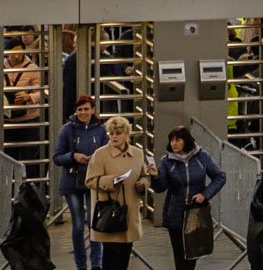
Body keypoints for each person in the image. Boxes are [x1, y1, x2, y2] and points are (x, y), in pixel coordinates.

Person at [150, 125, 226, 270]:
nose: (174, 143)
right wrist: (156, 176)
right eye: (171, 140)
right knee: (180, 256)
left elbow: (220, 177)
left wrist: (205, 194)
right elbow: (160, 188)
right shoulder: (167, 161)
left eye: (178, 140)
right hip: (175, 214)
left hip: (196, 213)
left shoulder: (202, 157)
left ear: (186, 141)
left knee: (192, 254)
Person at [85, 115, 150, 270]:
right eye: (111, 133)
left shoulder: (138, 153)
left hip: (129, 213)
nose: (114, 136)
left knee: (124, 257)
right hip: (109, 214)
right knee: (111, 259)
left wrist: (143, 184)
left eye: (118, 133)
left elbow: (145, 175)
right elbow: (90, 181)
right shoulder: (100, 154)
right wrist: (111, 181)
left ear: (127, 134)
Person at [53, 95, 108, 270]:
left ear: (93, 110)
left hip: (93, 183)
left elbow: (108, 153)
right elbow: (57, 157)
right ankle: (81, 265)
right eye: (80, 109)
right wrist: (73, 156)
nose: (83, 113)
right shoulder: (66, 130)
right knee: (77, 226)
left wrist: (96, 159)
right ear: (75, 111)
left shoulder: (101, 130)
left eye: (86, 109)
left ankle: (97, 263)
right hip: (72, 183)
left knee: (94, 224)